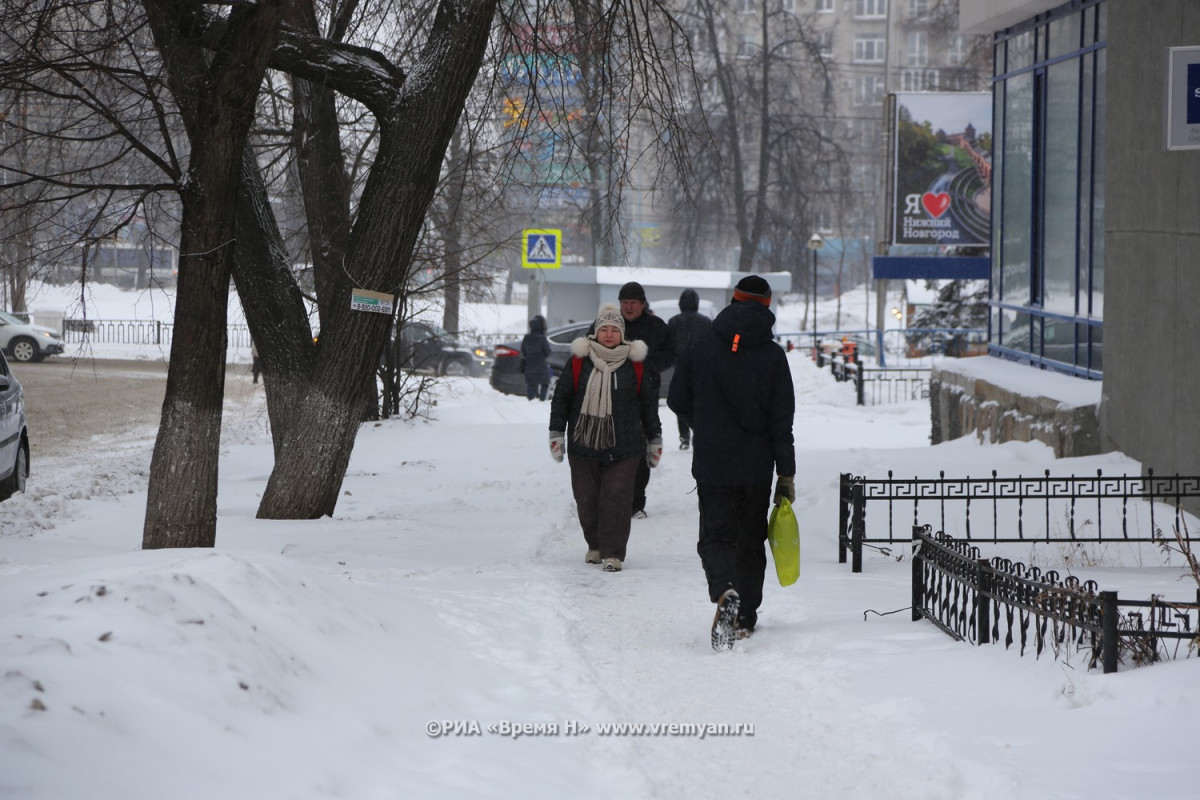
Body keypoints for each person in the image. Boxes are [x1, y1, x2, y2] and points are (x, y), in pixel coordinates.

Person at [667, 275, 796, 652]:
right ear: (767, 306)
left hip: (713, 462)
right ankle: (745, 618)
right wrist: (786, 474)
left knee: (715, 536)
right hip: (756, 466)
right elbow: (781, 423)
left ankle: (724, 589)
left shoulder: (701, 346)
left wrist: (704, 425)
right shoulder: (773, 356)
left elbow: (676, 399)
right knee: (750, 541)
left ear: (733, 301)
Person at [550, 303, 662, 573]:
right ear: (596, 332)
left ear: (622, 334)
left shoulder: (635, 364)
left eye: (614, 330)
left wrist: (654, 439)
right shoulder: (578, 362)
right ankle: (595, 545)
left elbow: (648, 404)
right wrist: (556, 434)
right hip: (583, 443)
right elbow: (562, 398)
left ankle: (613, 553)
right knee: (586, 499)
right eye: (604, 329)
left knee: (617, 498)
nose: (609, 335)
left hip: (626, 446)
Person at [594, 281, 673, 519]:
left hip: (643, 396)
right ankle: (606, 498)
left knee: (638, 450)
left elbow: (670, 354)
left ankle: (636, 502)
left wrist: (645, 366)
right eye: (624, 303)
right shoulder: (608, 324)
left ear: (642, 304)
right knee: (605, 446)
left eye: (633, 303)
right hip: (608, 396)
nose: (628, 307)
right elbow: (591, 346)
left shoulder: (657, 326)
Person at [666, 288, 711, 450]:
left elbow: (668, 346)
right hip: (701, 370)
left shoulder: (673, 322)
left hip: (680, 368)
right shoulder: (705, 322)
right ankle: (698, 432)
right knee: (699, 403)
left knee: (681, 402)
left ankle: (684, 436)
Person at [521, 315, 552, 401]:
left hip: (529, 364)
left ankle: (530, 400)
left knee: (531, 383)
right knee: (545, 383)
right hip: (541, 364)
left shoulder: (526, 337)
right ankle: (542, 400)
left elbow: (523, 350)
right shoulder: (542, 338)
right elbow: (548, 352)